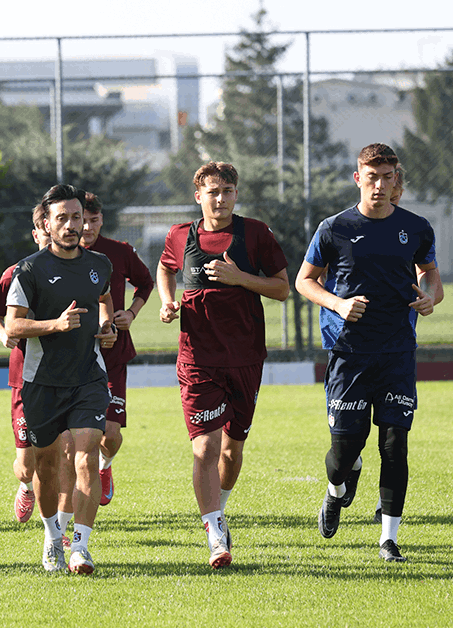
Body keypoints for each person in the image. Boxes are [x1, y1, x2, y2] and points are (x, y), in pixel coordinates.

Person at [296, 143, 442, 563]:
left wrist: (430, 299)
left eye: (388, 176)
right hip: (350, 352)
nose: (380, 185)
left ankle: (388, 539)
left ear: (397, 180)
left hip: (397, 350)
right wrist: (338, 304)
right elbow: (305, 281)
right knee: (344, 452)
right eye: (371, 176)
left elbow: (432, 280)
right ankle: (336, 489)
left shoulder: (416, 228)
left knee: (395, 444)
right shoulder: (333, 228)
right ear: (357, 178)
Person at [157, 162, 289, 569]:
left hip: (245, 357)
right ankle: (215, 533)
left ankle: (221, 508)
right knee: (204, 447)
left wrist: (238, 277)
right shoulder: (181, 235)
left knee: (230, 453)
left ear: (236, 194)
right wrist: (167, 300)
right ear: (198, 196)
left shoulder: (255, 234)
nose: (220, 198)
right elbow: (165, 267)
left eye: (227, 190)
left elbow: (282, 288)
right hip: (198, 359)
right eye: (212, 191)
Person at [5, 184, 116, 575]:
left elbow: (104, 298)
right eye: (62, 219)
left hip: (88, 377)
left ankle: (81, 547)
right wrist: (55, 324)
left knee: (87, 455)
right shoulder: (30, 270)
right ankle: (53, 536)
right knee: (47, 468)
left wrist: (107, 326)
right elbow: (12, 324)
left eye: (77, 217)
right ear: (46, 225)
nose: (72, 225)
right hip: (41, 382)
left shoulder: (99, 264)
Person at [0, 205, 74, 526]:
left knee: (66, 455)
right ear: (37, 234)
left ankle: (59, 531)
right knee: (27, 464)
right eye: (46, 232)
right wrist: (3, 335)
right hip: (26, 378)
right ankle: (25, 486)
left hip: (68, 377)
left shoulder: (76, 271)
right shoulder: (16, 273)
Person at [78, 191, 154, 507]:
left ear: (101, 220)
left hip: (113, 352)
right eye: (81, 220)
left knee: (109, 435)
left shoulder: (119, 252)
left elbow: (146, 283)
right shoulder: (61, 255)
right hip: (74, 356)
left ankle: (105, 467)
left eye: (93, 220)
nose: (86, 227)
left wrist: (131, 313)